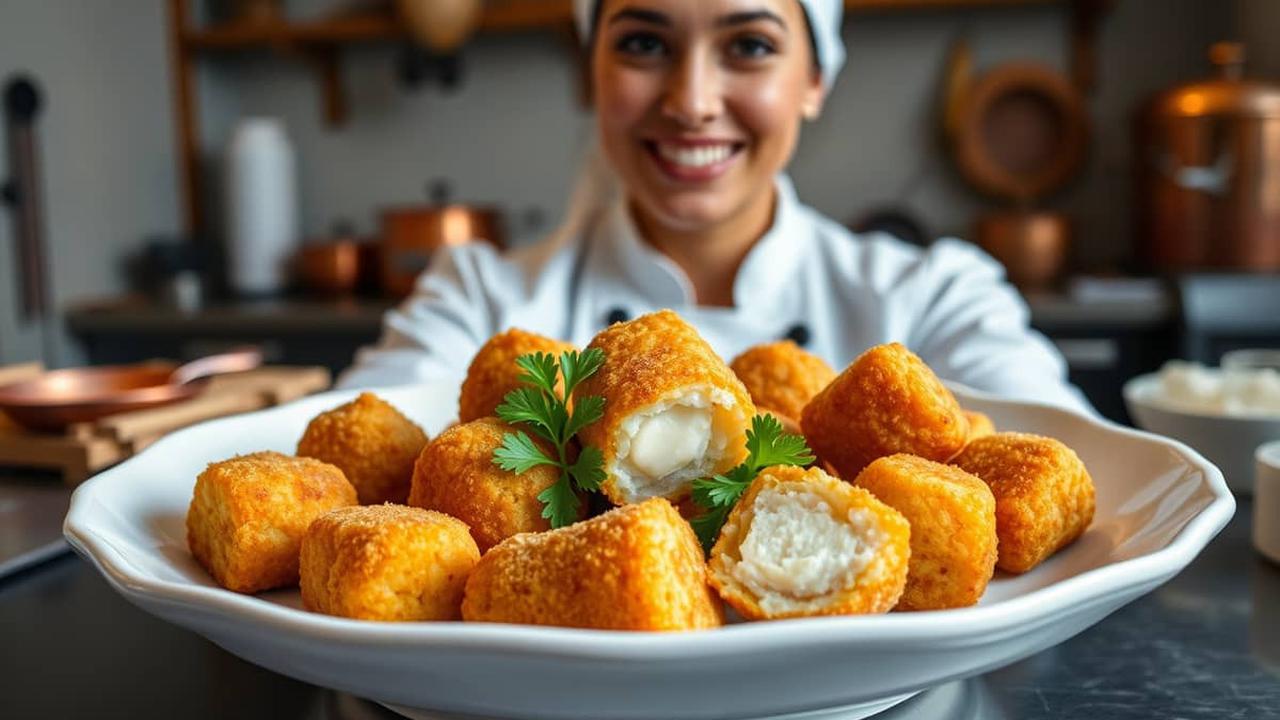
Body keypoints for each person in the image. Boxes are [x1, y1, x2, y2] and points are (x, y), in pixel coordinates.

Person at [339, 0, 1091, 415]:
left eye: (750, 46)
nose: (692, 102)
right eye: (643, 43)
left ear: (814, 82)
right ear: (592, 73)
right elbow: (347, 457)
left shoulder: (934, 296)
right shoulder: (477, 298)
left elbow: (1076, 469)